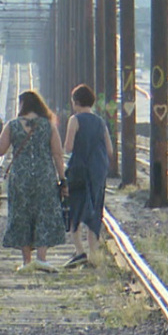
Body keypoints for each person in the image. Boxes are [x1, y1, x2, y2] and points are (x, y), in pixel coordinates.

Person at [0, 90, 67, 272]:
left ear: (22, 105)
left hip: (20, 176)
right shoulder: (48, 126)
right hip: (45, 175)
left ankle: (27, 261)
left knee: (21, 214)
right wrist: (63, 179)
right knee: (44, 212)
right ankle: (41, 258)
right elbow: (58, 154)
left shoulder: (12, 125)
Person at [63, 84, 113, 268]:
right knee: (95, 212)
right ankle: (93, 255)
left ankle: (80, 251)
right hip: (97, 173)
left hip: (79, 172)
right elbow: (109, 149)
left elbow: (68, 147)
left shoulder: (75, 120)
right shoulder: (100, 122)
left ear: (76, 102)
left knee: (75, 211)